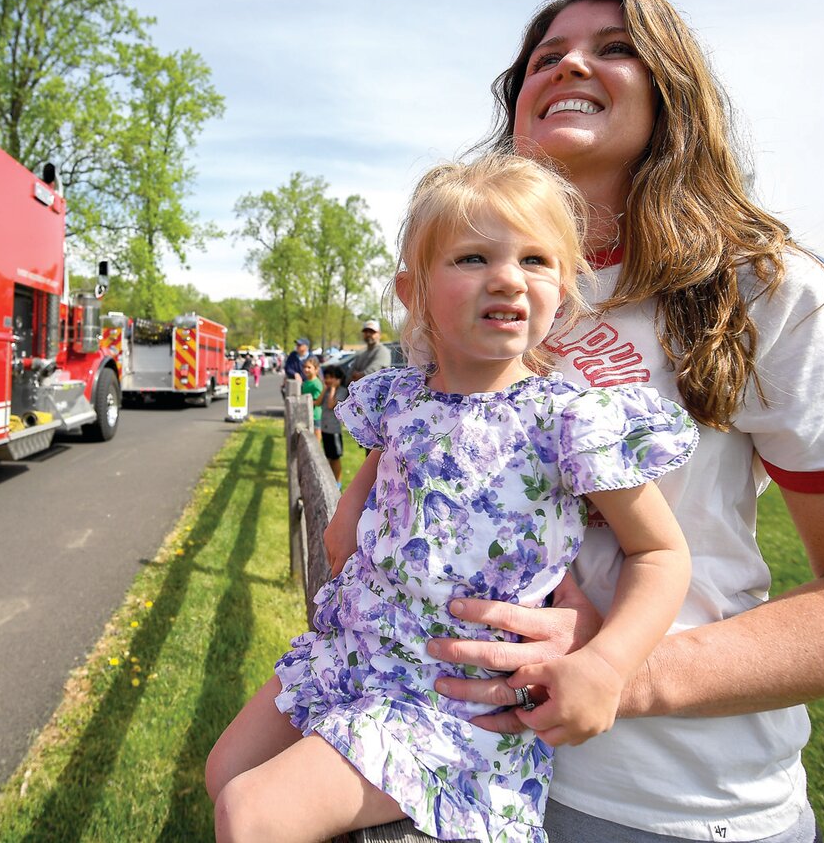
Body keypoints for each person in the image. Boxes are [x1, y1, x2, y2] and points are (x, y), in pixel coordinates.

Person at [423, 0, 824, 842]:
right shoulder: (462, 282)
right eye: (545, 57)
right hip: (447, 760)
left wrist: (617, 674)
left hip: (667, 804)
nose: (569, 67)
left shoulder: (770, 292)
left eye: (614, 49)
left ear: (672, 91)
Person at [206, 153, 697, 842]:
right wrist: (346, 517)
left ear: (566, 285)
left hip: (448, 702)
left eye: (535, 259)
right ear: (414, 291)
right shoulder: (402, 394)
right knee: (224, 769)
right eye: (472, 258)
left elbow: (662, 551)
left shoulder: (570, 422)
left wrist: (608, 664)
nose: (506, 278)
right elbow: (377, 468)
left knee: (253, 812)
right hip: (354, 650)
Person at [319, 362, 349, 482]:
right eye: (326, 377)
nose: (327, 380)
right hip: (325, 428)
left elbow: (331, 404)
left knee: (335, 458)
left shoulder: (341, 391)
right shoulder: (326, 391)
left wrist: (332, 389)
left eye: (331, 377)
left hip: (334, 430)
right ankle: (331, 480)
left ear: (338, 379)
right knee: (329, 457)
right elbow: (317, 402)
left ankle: (338, 483)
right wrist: (325, 389)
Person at [298, 355, 323, 425]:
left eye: (309, 367)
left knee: (315, 435)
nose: (306, 369)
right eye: (304, 367)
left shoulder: (317, 384)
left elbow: (316, 401)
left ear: (316, 369)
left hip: (315, 415)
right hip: (306, 414)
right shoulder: (305, 382)